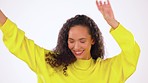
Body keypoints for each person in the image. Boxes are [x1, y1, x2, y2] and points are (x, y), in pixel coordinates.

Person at [0, 0, 140, 83]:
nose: (76, 46)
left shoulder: (108, 70)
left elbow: (132, 53)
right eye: (71, 41)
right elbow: (20, 43)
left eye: (82, 41)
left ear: (93, 40)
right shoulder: (51, 63)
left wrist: (113, 23)